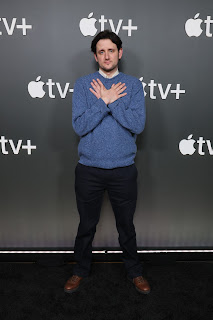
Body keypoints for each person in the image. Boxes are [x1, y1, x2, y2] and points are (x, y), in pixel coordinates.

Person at [64, 30, 150, 294]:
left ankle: (134, 271)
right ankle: (80, 269)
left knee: (126, 225)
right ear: (95, 56)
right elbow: (79, 126)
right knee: (86, 225)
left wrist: (114, 102)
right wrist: (103, 101)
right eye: (101, 51)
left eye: (111, 50)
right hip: (89, 169)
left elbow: (137, 124)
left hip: (123, 170)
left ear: (119, 53)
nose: (106, 55)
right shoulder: (83, 85)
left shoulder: (133, 86)